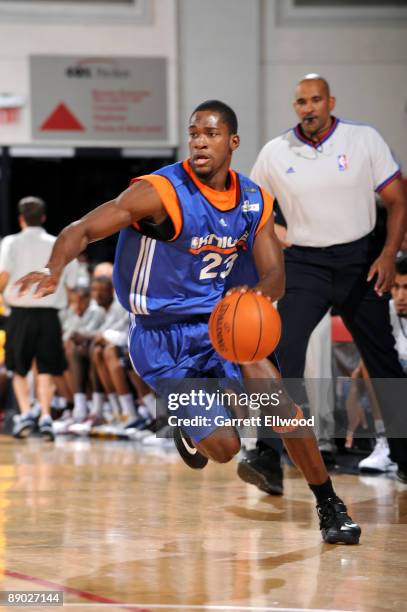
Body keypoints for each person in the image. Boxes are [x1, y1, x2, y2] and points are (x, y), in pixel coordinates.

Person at [15, 100, 361, 544]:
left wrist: (258, 295)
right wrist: (54, 268)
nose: (200, 140)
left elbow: (275, 273)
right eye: (194, 132)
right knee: (226, 449)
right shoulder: (160, 193)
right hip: (160, 338)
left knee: (281, 406)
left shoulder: (254, 201)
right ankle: (186, 423)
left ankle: (329, 505)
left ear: (232, 142)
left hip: (222, 324)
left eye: (211, 133)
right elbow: (82, 229)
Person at [241, 75, 407, 491]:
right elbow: (252, 211)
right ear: (294, 106)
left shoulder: (362, 139)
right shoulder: (275, 153)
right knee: (282, 352)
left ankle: (404, 457)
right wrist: (278, 240)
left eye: (316, 100)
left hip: (361, 259)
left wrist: (388, 255)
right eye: (301, 102)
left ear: (330, 101)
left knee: (383, 360)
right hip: (305, 264)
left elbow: (398, 199)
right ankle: (266, 455)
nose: (309, 108)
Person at [0, 196, 78, 440]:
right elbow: (72, 285)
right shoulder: (57, 244)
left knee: (18, 369)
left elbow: (3, 276)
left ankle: (24, 415)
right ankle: (45, 417)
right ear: (43, 217)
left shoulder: (11, 242)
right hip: (49, 315)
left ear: (21, 218)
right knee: (45, 368)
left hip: (20, 314)